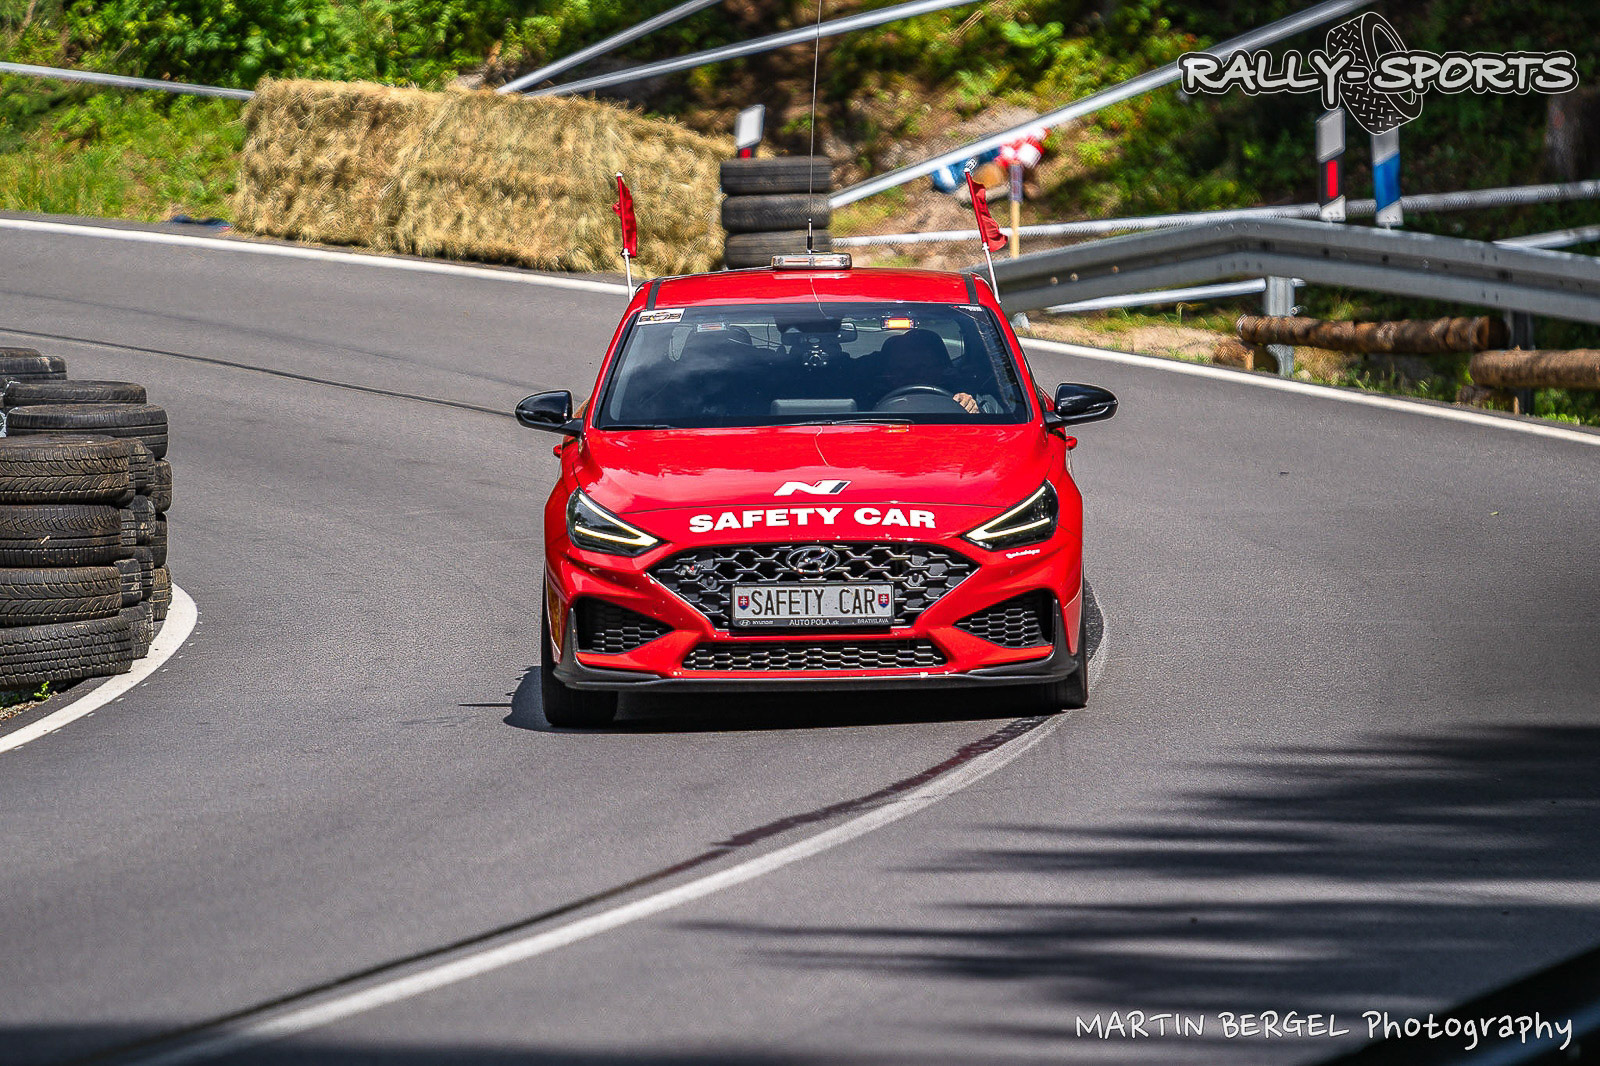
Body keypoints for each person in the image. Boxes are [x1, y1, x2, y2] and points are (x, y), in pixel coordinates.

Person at [873, 328, 980, 414]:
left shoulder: (958, 392)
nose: (911, 375)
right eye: (900, 369)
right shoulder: (870, 398)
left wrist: (969, 405)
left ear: (939, 369)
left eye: (920, 368)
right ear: (887, 373)